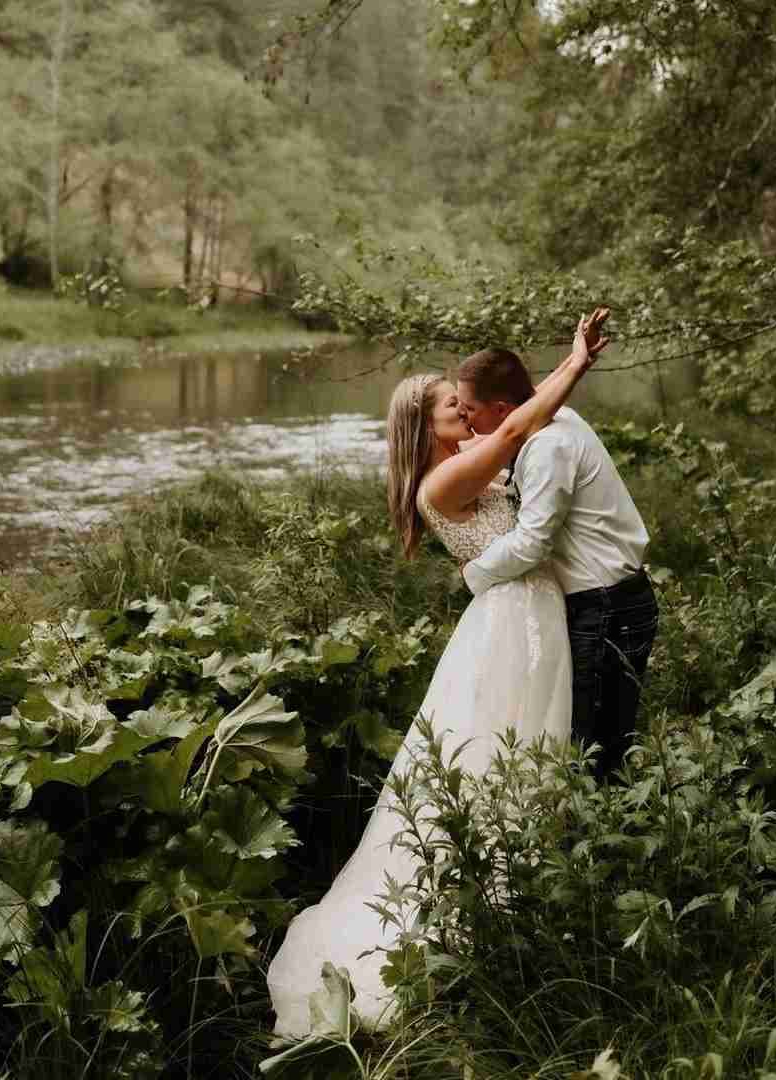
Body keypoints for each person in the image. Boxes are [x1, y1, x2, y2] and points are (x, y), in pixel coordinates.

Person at [265, 311, 610, 1038]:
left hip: (525, 612)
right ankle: (486, 909)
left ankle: (527, 896)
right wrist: (575, 364)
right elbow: (517, 427)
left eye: (464, 400)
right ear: (427, 426)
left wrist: (561, 370)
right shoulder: (443, 479)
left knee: (524, 747)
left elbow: (511, 418)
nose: (467, 407)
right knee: (501, 748)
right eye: (452, 405)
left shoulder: (463, 457)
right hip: (512, 621)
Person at [456, 342, 658, 777]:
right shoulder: (552, 418)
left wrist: (474, 572)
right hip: (607, 602)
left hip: (609, 608)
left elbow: (532, 543)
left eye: (470, 410)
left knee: (593, 750)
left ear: (502, 407)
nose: (465, 419)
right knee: (596, 743)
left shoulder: (548, 446)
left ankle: (607, 841)